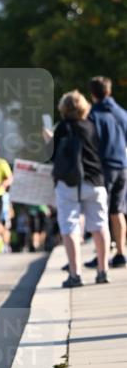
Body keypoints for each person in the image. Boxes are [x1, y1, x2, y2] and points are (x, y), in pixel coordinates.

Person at [53, 90, 110, 287]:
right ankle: (102, 270)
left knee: (70, 227)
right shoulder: (91, 126)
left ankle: (75, 274)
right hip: (94, 180)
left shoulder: (61, 128)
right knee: (100, 225)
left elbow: (53, 156)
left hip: (68, 183)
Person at [88, 76, 127, 268]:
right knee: (117, 210)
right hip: (123, 166)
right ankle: (121, 252)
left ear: (92, 94)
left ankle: (102, 254)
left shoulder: (93, 115)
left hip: (104, 168)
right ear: (109, 91)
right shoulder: (121, 113)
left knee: (101, 212)